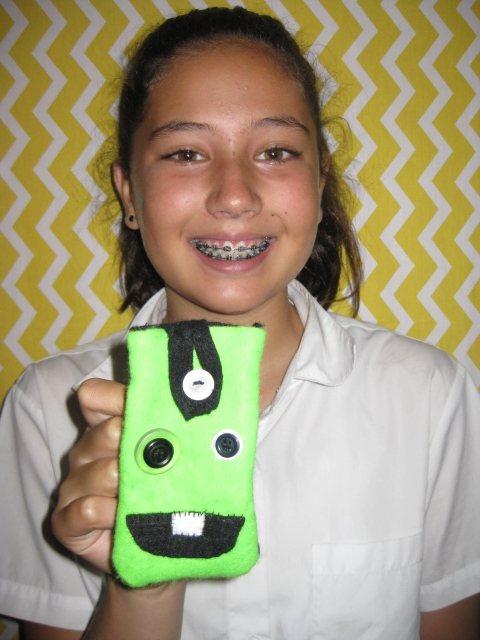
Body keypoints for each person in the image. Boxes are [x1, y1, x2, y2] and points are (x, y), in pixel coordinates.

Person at [0, 6, 479, 639]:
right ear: (129, 194)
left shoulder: (430, 395)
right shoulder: (46, 410)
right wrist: (145, 578)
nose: (234, 195)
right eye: (186, 153)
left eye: (276, 151)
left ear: (320, 180)